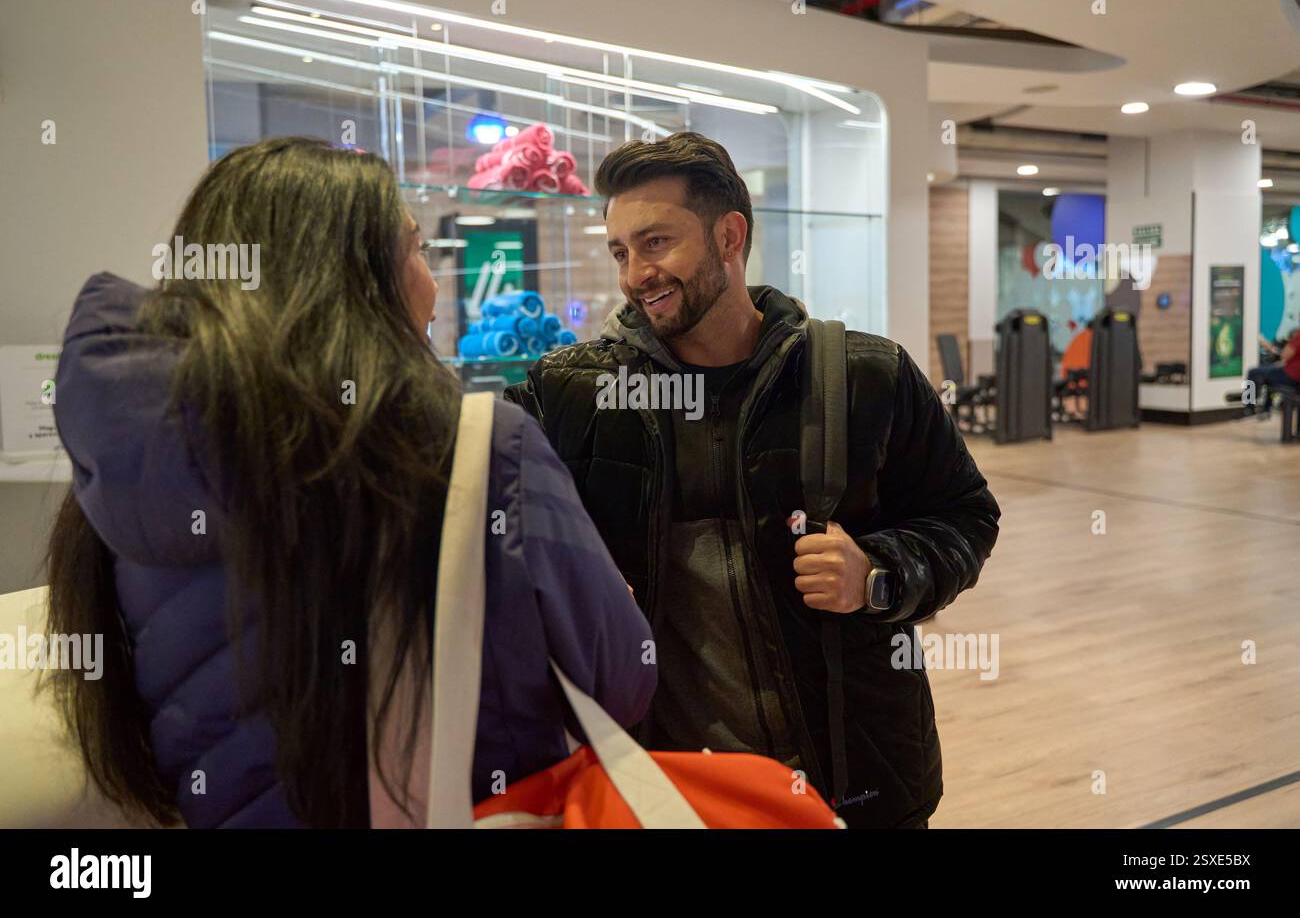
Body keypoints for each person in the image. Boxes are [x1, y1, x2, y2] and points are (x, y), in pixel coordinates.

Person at [44, 136, 655, 829]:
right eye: (418, 249)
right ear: (361, 279)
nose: (431, 285)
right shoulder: (479, 448)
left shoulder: (123, 470)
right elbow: (620, 681)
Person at [505, 132, 1000, 829]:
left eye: (655, 243)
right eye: (620, 250)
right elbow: (486, 528)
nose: (634, 273)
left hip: (854, 781)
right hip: (673, 792)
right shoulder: (571, 395)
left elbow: (967, 516)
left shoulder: (866, 375)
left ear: (729, 235)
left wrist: (878, 573)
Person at [1244, 327, 1300, 415]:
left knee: (1253, 372)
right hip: (1295, 376)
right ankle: (1266, 409)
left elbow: (1284, 355)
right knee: (1270, 373)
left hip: (1291, 376)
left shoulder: (1298, 336)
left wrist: (1268, 346)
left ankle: (1248, 409)